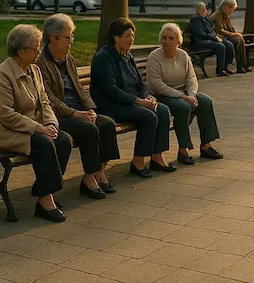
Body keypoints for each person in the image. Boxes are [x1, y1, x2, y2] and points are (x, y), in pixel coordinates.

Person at [37, 14, 120, 199]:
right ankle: (89, 179)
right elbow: (50, 99)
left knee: (106, 124)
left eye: (72, 36)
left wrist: (90, 108)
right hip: (58, 116)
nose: (71, 41)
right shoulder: (40, 62)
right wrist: (76, 114)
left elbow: (80, 88)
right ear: (53, 38)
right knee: (88, 128)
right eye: (68, 37)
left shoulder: (67, 57)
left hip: (77, 111)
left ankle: (99, 171)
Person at [0, 25, 72, 223]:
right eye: (36, 48)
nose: (40, 52)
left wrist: (51, 123)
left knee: (63, 139)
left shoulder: (34, 69)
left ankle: (43, 188)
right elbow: (6, 115)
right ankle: (46, 200)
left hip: (34, 127)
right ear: (21, 51)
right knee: (44, 143)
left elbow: (45, 101)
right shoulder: (4, 74)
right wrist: (40, 128)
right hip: (9, 131)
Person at [91, 18, 174, 178]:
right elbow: (111, 90)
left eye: (132, 36)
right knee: (148, 116)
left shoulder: (127, 55)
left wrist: (147, 96)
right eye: (127, 36)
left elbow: (139, 82)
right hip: (112, 105)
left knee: (162, 111)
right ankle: (138, 161)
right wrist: (139, 101)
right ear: (116, 37)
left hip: (132, 101)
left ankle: (157, 156)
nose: (131, 40)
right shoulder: (104, 57)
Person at [147, 24, 223, 165]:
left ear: (178, 41)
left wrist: (192, 94)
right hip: (163, 96)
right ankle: (183, 150)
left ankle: (206, 145)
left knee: (205, 101)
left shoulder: (183, 55)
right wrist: (182, 96)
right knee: (183, 107)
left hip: (185, 94)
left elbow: (191, 78)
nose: (167, 41)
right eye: (164, 38)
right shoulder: (154, 57)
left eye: (171, 38)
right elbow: (156, 85)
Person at [188, 2, 234, 77]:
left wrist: (216, 37)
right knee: (221, 46)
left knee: (228, 44)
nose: (205, 10)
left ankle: (225, 67)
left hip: (209, 39)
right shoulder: (195, 19)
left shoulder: (204, 18)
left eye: (205, 9)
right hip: (200, 42)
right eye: (204, 9)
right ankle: (219, 70)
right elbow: (200, 34)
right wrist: (213, 37)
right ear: (199, 10)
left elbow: (211, 30)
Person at [210, 0, 251, 74]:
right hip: (219, 37)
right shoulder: (217, 15)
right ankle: (240, 65)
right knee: (238, 41)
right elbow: (220, 30)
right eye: (231, 9)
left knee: (240, 39)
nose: (231, 12)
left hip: (225, 37)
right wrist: (233, 35)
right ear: (225, 7)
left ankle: (242, 65)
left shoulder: (225, 15)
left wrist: (236, 34)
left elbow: (230, 28)